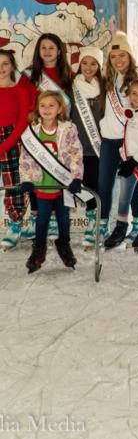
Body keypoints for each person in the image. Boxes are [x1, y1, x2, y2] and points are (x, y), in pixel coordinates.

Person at [19, 91, 83, 273]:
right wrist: (26, 179)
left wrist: (76, 177)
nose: (47, 109)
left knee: (63, 216)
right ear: (38, 109)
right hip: (42, 184)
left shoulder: (69, 128)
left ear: (60, 108)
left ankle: (64, 244)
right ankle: (39, 248)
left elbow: (76, 154)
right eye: (43, 106)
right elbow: (25, 158)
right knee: (42, 218)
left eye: (51, 105)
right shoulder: (32, 130)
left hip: (63, 183)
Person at [97, 32, 138, 244]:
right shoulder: (108, 79)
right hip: (110, 139)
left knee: (134, 185)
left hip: (131, 141)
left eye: (122, 55)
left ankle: (137, 224)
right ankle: (102, 226)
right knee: (104, 184)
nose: (118, 60)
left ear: (129, 55)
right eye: (113, 57)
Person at [104, 80, 138, 251]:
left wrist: (135, 159)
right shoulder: (131, 112)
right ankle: (120, 226)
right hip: (128, 161)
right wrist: (124, 155)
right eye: (134, 93)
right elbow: (127, 137)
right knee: (123, 196)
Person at [70, 47, 105, 248]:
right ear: (79, 65)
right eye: (85, 63)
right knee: (81, 186)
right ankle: (91, 216)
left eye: (93, 63)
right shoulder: (72, 88)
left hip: (99, 148)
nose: (89, 67)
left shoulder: (105, 89)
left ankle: (95, 222)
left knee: (95, 186)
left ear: (99, 66)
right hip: (77, 148)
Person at [0, 49, 32, 250]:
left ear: (12, 65)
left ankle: (15, 223)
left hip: (11, 139)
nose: (1, 68)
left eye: (5, 63)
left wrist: (5, 144)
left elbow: (23, 121)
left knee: (13, 182)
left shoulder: (20, 90)